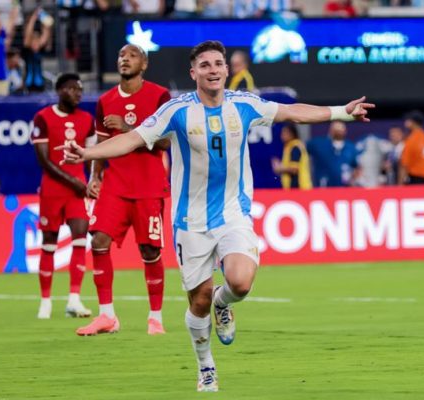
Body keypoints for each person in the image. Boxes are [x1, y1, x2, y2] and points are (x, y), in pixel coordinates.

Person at [59, 40, 373, 392]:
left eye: (218, 64)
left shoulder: (244, 104)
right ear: (194, 73)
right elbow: (131, 139)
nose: (213, 70)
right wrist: (87, 153)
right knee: (199, 301)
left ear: (226, 70)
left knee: (239, 282)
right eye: (205, 65)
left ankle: (225, 305)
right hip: (190, 223)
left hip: (232, 215)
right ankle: (206, 364)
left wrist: (341, 112)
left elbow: (291, 111)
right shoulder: (176, 111)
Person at [75, 44, 171, 337]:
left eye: (131, 55)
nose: (124, 59)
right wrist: (95, 177)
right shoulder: (106, 100)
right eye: (120, 55)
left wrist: (129, 129)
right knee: (98, 241)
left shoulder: (159, 96)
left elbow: (167, 141)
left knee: (150, 250)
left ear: (144, 64)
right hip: (115, 185)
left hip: (148, 185)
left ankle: (155, 318)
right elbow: (101, 147)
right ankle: (107, 316)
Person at [31, 73, 94, 319]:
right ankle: (45, 302)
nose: (77, 93)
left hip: (77, 191)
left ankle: (74, 299)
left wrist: (89, 182)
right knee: (49, 243)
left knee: (80, 238)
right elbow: (44, 160)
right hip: (53, 190)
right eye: (72, 89)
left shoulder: (87, 120)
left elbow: (90, 156)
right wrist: (73, 182)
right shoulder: (43, 117)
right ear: (59, 90)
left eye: (80, 89)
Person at [307, 121, 361, 187]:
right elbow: (302, 150)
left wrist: (352, 179)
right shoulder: (318, 143)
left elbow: (357, 167)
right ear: (330, 130)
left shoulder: (350, 147)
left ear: (345, 131)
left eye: (340, 130)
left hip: (344, 188)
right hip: (323, 187)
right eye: (336, 130)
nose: (339, 132)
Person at [399, 110, 424, 185]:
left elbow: (404, 165)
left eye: (408, 120)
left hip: (415, 180)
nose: (406, 123)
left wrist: (400, 184)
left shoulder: (410, 140)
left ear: (414, 122)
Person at [271, 124, 312, 190]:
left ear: (292, 134)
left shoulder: (295, 147)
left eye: (285, 133)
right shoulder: (289, 147)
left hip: (299, 189)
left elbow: (294, 169)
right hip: (293, 189)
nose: (282, 135)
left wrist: (279, 169)